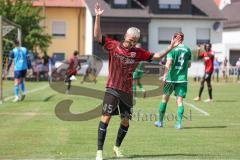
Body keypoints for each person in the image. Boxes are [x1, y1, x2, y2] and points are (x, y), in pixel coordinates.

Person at [94, 2, 181, 160]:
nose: (133, 42)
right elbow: (97, 36)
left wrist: (171, 47)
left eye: (136, 40)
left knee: (126, 122)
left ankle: (117, 147)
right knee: (105, 118)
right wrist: (98, 17)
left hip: (127, 91)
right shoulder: (113, 45)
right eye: (131, 39)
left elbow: (156, 57)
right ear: (126, 36)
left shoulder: (138, 52)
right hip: (112, 87)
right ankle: (99, 152)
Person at [154, 32, 191, 129]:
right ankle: (178, 123)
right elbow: (189, 65)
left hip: (170, 79)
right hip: (182, 79)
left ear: (174, 38)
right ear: (182, 39)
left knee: (164, 99)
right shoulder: (187, 49)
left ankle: (160, 122)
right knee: (180, 101)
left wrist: (164, 75)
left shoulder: (172, 49)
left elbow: (168, 63)